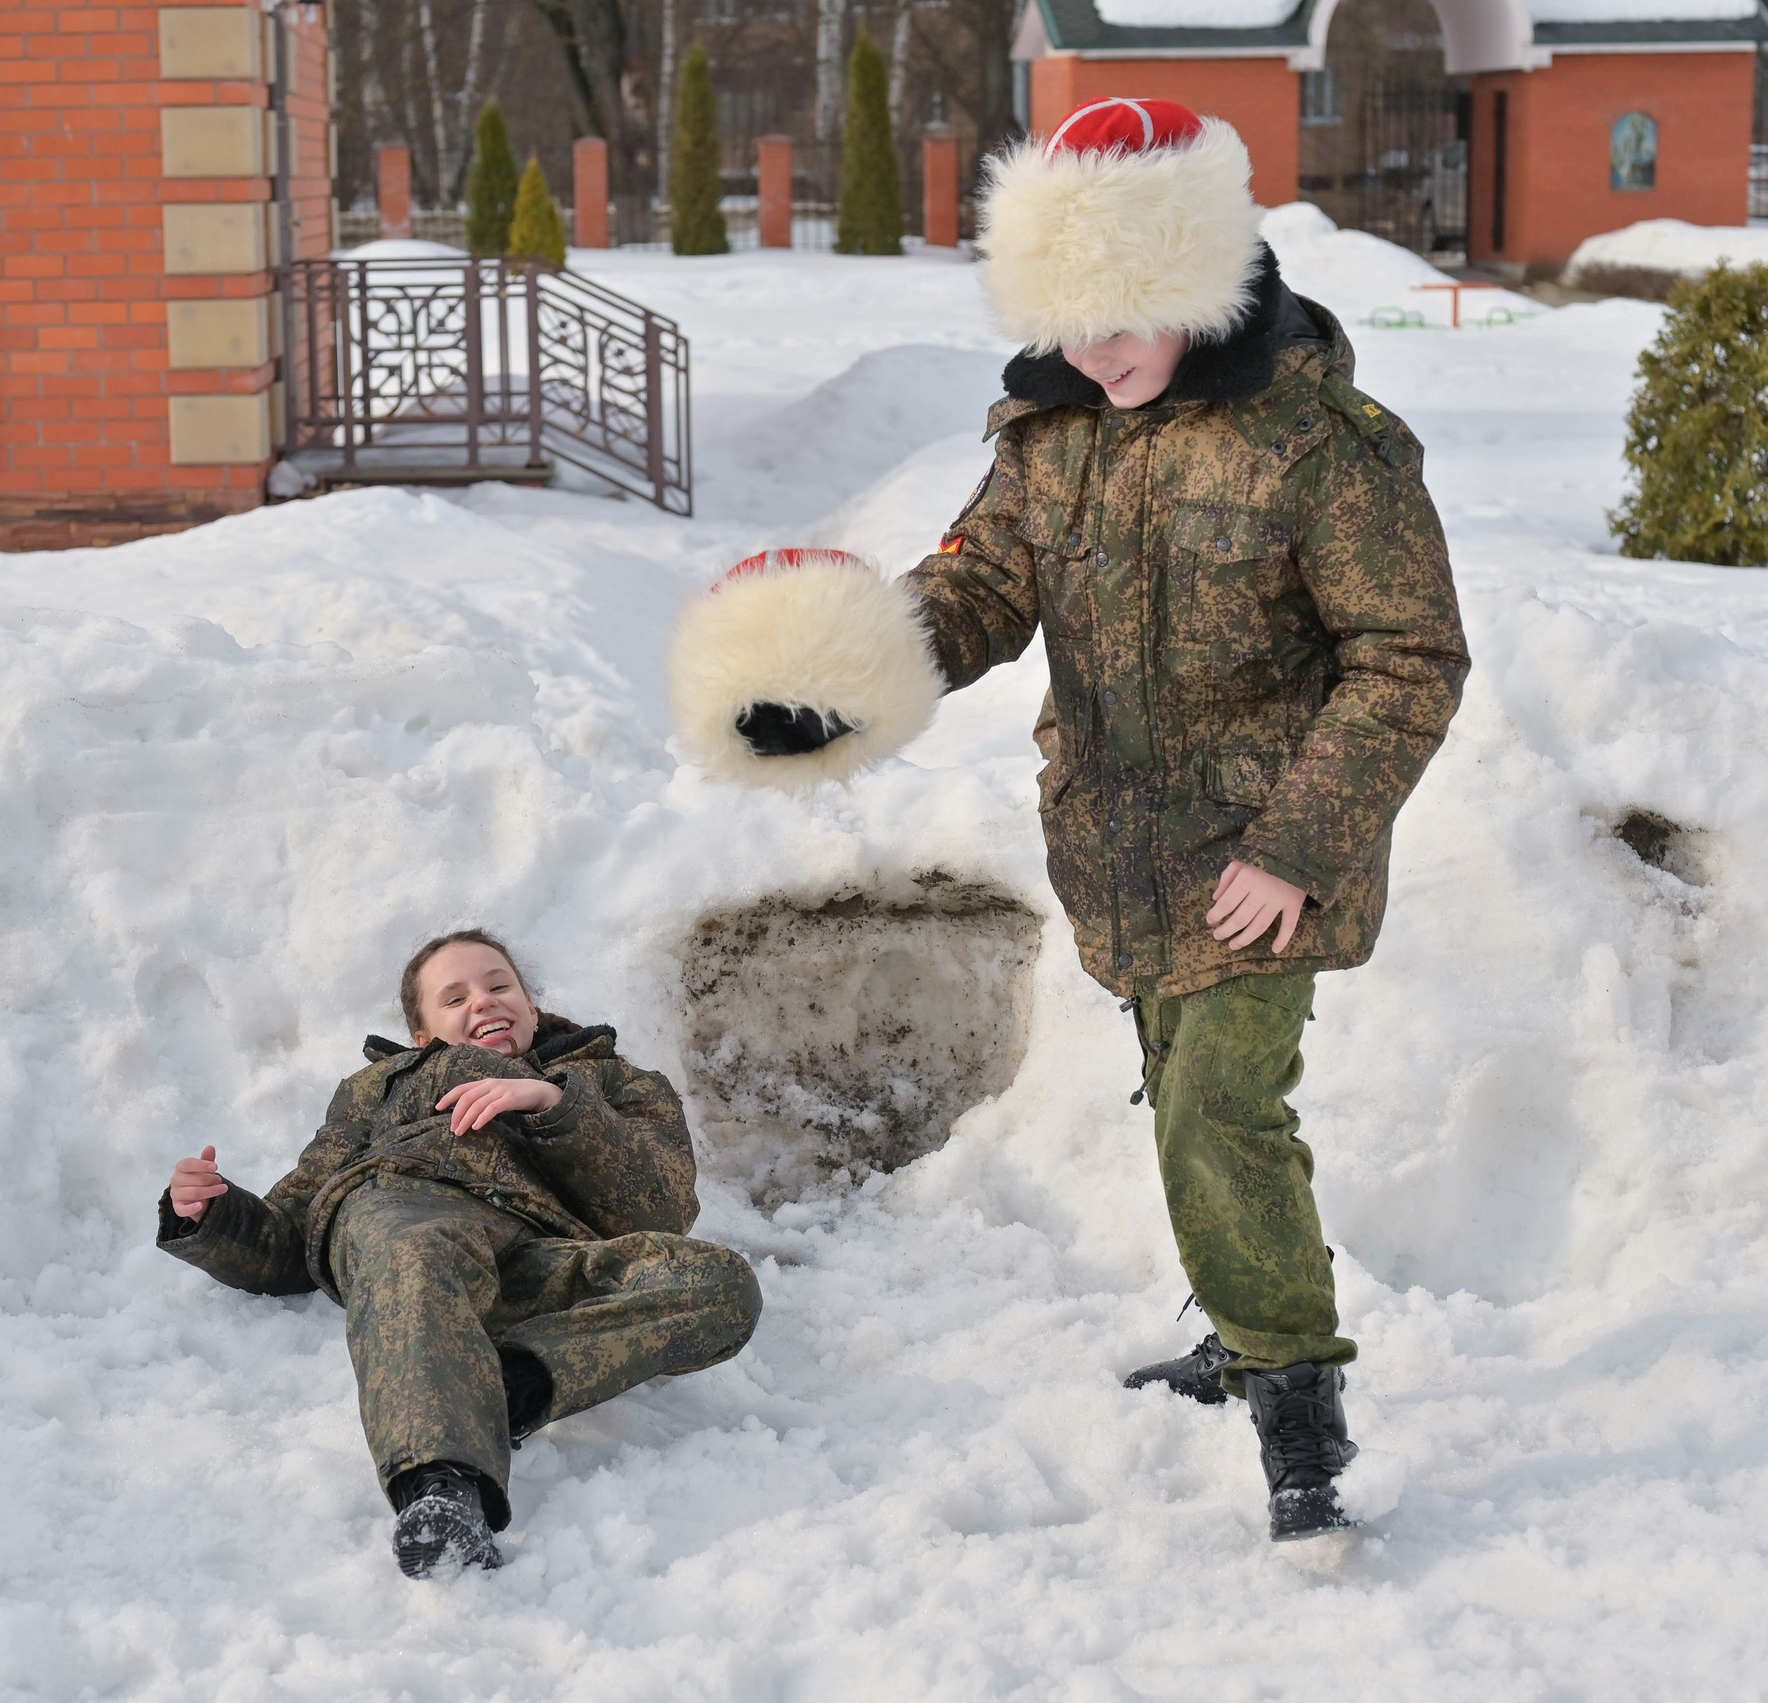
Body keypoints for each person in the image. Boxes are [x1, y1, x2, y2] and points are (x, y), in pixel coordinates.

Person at [667, 98, 1469, 1541]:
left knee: (1226, 1100)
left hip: (1265, 855)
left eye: (1131, 314)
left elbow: (1409, 654)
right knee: (1181, 1091)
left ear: (1198, 282)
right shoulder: (1052, 437)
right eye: (1074, 315)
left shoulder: (1321, 444)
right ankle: (1241, 1316)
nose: (1100, 351)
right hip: (1117, 849)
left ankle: (1298, 1398)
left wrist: (1297, 844)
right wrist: (835, 677)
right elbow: (976, 588)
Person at [157, 931, 762, 1577]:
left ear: (532, 1007)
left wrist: (553, 1106)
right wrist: (213, 1214)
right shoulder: (381, 1087)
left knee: (720, 1283)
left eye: (499, 985)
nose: (483, 1000)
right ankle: (443, 1491)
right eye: (455, 996)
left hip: (538, 1252)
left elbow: (658, 1210)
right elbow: (287, 1237)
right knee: (416, 1250)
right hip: (410, 1209)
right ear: (424, 1036)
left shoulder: (610, 1079)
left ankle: (504, 1386)